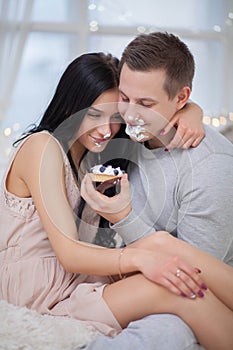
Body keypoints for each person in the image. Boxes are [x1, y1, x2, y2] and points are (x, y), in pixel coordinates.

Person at [0, 52, 227, 349]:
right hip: (42, 297)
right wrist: (142, 260)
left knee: (166, 249)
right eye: (94, 114)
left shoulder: (98, 153)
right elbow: (68, 253)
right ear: (71, 105)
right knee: (177, 287)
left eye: (116, 117)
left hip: (80, 286)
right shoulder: (42, 147)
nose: (107, 130)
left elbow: (153, 108)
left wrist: (191, 110)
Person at [81, 34, 233, 350]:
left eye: (146, 104)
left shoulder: (211, 168)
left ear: (181, 98)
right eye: (125, 97)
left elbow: (190, 278)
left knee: (161, 334)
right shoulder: (125, 128)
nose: (130, 113)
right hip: (126, 279)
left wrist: (124, 218)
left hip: (193, 293)